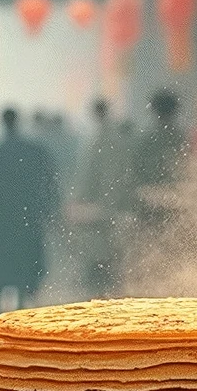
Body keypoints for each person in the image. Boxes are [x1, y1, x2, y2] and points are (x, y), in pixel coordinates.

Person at [0, 108, 60, 312]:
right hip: (27, 215)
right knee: (25, 256)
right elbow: (48, 183)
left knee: (2, 258)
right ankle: (23, 296)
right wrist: (50, 209)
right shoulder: (35, 151)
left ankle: (0, 301)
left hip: (1, 218)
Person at [73, 98, 134, 295]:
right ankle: (108, 282)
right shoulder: (114, 137)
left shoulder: (101, 139)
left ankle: (102, 284)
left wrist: (86, 197)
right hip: (110, 200)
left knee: (102, 246)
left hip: (102, 202)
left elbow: (95, 173)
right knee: (109, 245)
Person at [129, 89, 188, 228]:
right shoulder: (182, 138)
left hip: (149, 198)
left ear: (154, 111)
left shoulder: (145, 139)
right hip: (177, 198)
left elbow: (135, 169)